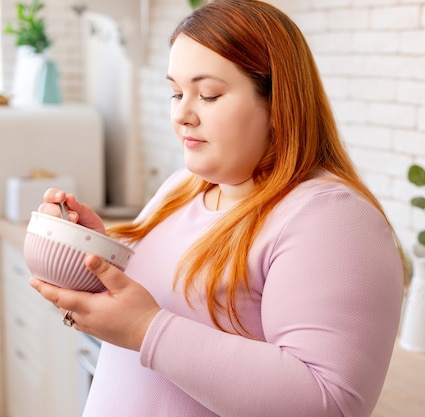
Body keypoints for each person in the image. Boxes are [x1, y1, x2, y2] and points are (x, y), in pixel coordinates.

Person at [29, 1, 405, 416]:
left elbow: (328, 403)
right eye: (176, 92)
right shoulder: (185, 187)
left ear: (278, 103)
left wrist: (146, 329)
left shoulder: (332, 219)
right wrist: (93, 253)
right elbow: (151, 299)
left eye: (207, 94)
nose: (182, 114)